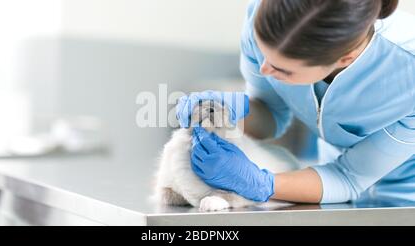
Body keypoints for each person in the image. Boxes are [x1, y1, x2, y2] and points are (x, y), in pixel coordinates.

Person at [176, 0, 415, 204]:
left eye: (283, 69)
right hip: (331, 191)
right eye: (262, 52)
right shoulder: (269, 18)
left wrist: (259, 183)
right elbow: (271, 117)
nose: (264, 69)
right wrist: (226, 112)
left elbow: (348, 177)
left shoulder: (408, 72)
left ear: (345, 58)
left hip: (405, 200)